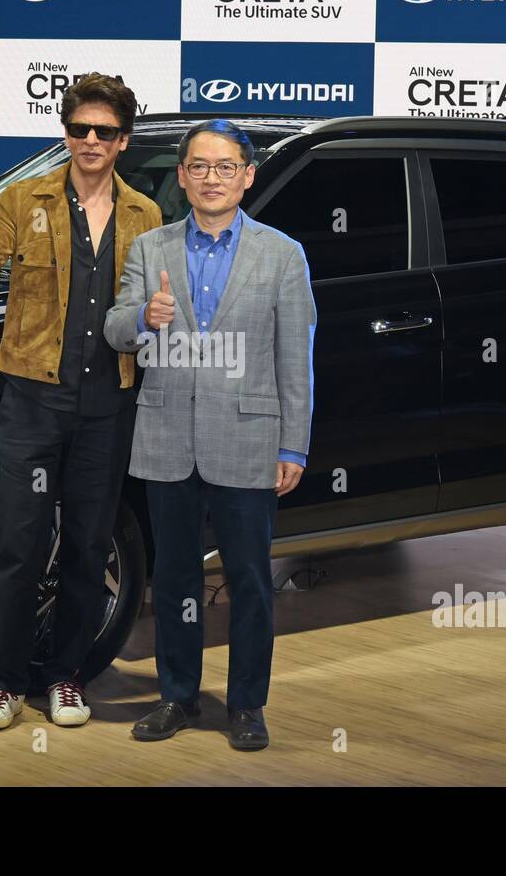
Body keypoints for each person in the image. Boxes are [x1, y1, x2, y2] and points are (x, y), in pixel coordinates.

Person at [0, 73, 162, 730]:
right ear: (65, 132)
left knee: (89, 545)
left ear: (122, 141)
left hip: (108, 402)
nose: (89, 141)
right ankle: (5, 681)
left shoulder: (144, 216)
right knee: (18, 540)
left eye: (103, 131)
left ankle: (67, 677)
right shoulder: (22, 199)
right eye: (78, 129)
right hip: (33, 397)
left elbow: (155, 306)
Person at [104, 118, 316, 750]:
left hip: (249, 440)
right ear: (182, 176)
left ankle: (248, 704)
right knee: (171, 579)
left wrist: (293, 445)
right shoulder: (151, 248)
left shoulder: (282, 254)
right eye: (199, 166)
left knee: (250, 579)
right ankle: (177, 695)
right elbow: (117, 330)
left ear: (247, 177)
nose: (211, 178)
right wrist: (145, 316)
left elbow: (295, 358)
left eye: (225, 167)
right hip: (168, 438)